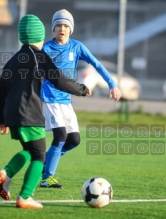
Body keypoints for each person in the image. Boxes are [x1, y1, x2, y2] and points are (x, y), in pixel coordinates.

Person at [0, 14, 91, 209]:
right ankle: (25, 197)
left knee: (30, 151)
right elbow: (59, 80)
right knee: (40, 156)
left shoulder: (13, 60)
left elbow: (0, 91)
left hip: (13, 115)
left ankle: (6, 174)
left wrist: (1, 119)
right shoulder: (39, 57)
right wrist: (82, 89)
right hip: (29, 114)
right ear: (40, 36)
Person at [40, 9, 122, 188]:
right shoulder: (46, 48)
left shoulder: (77, 47)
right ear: (53, 28)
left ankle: (45, 161)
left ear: (71, 29)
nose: (62, 29)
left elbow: (97, 64)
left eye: (66, 25)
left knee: (74, 140)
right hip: (50, 98)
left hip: (66, 101)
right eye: (59, 25)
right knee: (60, 135)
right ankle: (47, 177)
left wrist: (112, 84)